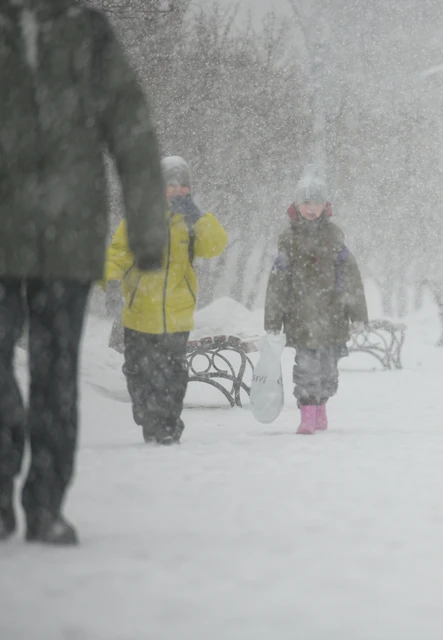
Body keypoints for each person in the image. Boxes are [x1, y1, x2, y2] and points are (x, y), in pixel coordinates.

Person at [0, 0, 168, 544]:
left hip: (67, 239)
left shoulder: (88, 30)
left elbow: (131, 129)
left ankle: (46, 502)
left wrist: (148, 227)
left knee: (55, 375)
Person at [103, 156, 227, 445]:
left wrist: (197, 216)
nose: (176, 190)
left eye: (182, 185)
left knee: (173, 375)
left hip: (177, 314)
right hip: (139, 312)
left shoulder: (192, 223)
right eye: (170, 185)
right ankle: (147, 414)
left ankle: (169, 424)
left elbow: (216, 245)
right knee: (139, 371)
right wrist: (111, 282)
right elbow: (119, 252)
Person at [264, 167, 368, 434]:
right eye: (306, 202)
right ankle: (307, 414)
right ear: (297, 206)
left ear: (325, 206)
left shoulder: (335, 238)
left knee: (328, 371)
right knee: (307, 368)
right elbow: (278, 282)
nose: (312, 208)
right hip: (301, 318)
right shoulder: (289, 240)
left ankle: (321, 407)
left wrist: (357, 314)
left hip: (333, 317)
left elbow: (351, 278)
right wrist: (273, 319)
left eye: (317, 203)